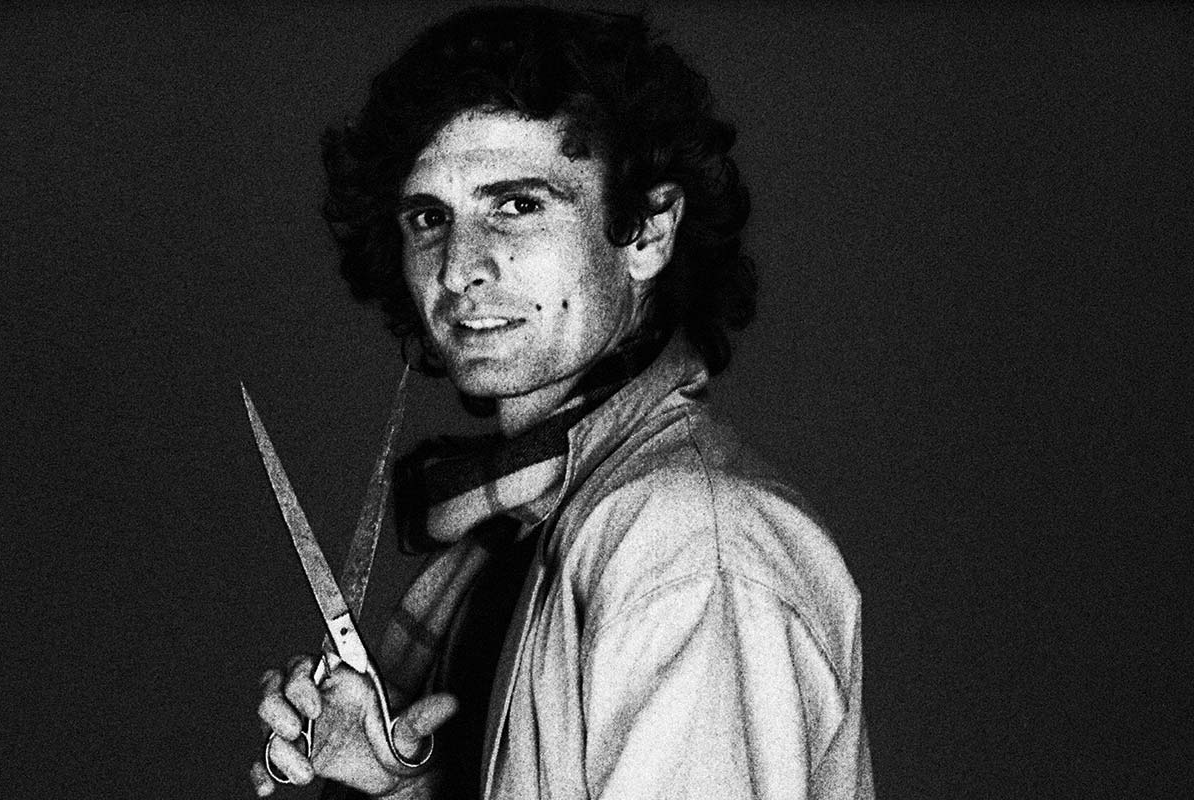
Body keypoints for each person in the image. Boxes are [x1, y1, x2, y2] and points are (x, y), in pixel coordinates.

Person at [251, 5, 873, 798]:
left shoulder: (684, 546)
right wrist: (398, 786)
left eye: (517, 205)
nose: (459, 268)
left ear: (647, 232)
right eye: (430, 218)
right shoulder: (526, 529)